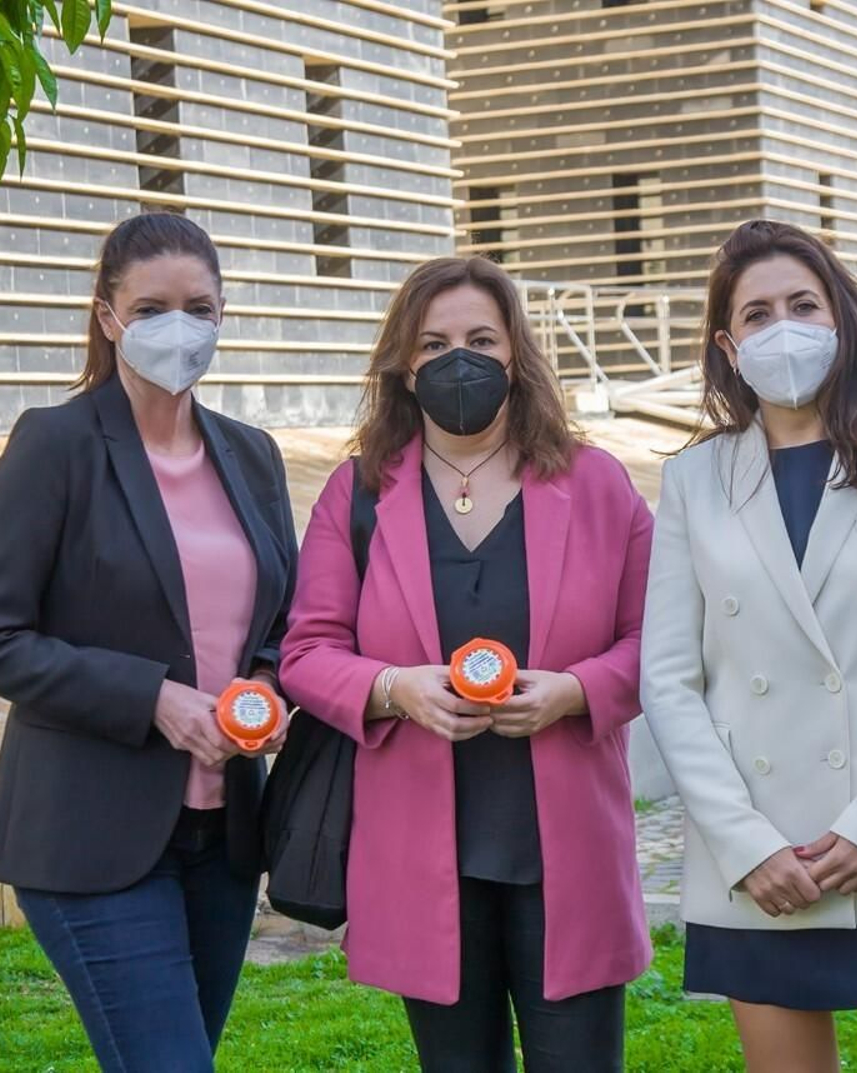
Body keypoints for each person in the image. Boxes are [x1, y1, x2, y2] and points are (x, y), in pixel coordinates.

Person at [279, 256, 654, 1072]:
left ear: (516, 352)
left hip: (568, 859)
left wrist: (574, 691)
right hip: (421, 859)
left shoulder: (597, 485)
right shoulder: (358, 495)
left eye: (482, 338)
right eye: (435, 342)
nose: (461, 358)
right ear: (404, 365)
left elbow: (656, 644)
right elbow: (306, 653)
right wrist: (393, 688)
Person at [641, 219, 857, 1073]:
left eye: (803, 304)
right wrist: (745, 843)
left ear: (839, 319)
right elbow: (670, 677)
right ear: (729, 344)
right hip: (761, 857)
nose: (782, 326)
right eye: (757, 314)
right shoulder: (696, 478)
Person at [0, 212, 297, 1072]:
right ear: (107, 316)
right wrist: (155, 698)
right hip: (89, 834)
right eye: (149, 309)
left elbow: (283, 623)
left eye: (198, 307)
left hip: (223, 840)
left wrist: (266, 685)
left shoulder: (253, 455)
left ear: (224, 315)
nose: (175, 328)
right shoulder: (55, 445)